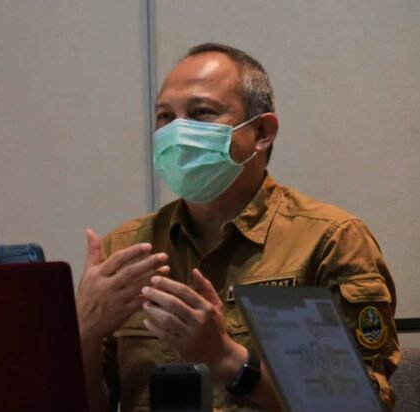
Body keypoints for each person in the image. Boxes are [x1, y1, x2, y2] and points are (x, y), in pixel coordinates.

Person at [76, 42, 399, 412]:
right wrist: (84, 332)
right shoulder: (126, 250)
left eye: (201, 112)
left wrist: (227, 359)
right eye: (165, 117)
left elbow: (361, 406)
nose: (178, 131)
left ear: (262, 131)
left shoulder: (330, 241)